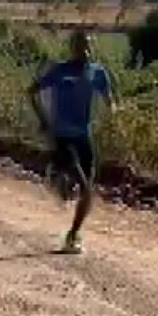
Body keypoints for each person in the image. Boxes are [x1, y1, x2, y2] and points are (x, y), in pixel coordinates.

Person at [28, 28, 114, 255]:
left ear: (91, 47)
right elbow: (32, 92)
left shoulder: (97, 73)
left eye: (87, 45)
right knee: (85, 188)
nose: (84, 50)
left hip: (84, 137)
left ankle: (73, 233)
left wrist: (111, 116)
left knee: (88, 190)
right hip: (62, 135)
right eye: (79, 45)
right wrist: (43, 120)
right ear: (72, 48)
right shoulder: (60, 71)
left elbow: (109, 100)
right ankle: (60, 176)